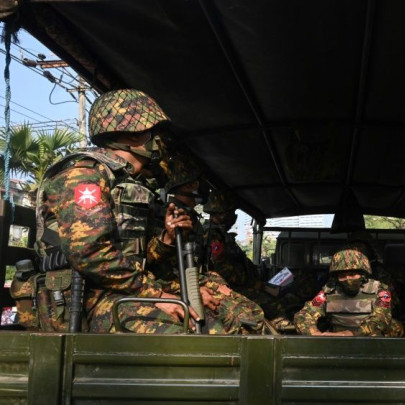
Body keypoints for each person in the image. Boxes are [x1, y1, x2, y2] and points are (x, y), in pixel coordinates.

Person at [34, 89, 194, 333]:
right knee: (181, 334)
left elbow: (132, 257)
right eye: (153, 132)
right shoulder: (84, 175)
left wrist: (165, 240)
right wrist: (155, 294)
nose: (159, 141)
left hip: (113, 290)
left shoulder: (124, 182)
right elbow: (90, 253)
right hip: (80, 298)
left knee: (203, 318)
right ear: (133, 136)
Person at [152, 155, 266, 334]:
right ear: (190, 185)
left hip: (192, 281)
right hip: (172, 285)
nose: (204, 188)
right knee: (238, 322)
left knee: (252, 313)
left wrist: (213, 281)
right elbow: (158, 265)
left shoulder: (190, 218)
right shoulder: (167, 215)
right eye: (199, 182)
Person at [204, 188, 292, 331]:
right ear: (220, 214)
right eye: (230, 213)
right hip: (226, 288)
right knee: (271, 305)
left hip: (239, 285)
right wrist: (256, 284)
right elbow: (223, 272)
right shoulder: (212, 236)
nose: (233, 217)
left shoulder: (223, 236)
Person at [294, 249, 396, 336]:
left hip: (370, 341)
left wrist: (350, 334)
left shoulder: (379, 290)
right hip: (337, 342)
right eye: (342, 275)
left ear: (363, 274)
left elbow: (382, 318)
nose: (347, 279)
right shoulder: (329, 291)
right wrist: (315, 333)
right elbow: (304, 314)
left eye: (352, 274)